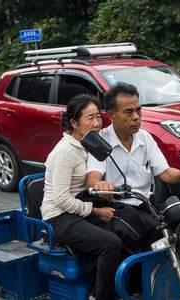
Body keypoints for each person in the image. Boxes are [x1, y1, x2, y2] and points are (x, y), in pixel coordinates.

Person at [86, 82, 180, 232]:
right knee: (154, 232)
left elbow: (165, 173)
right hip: (118, 208)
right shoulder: (102, 141)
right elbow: (92, 177)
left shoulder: (145, 138)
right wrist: (100, 185)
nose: (136, 117)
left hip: (145, 204)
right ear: (111, 115)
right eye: (129, 112)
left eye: (138, 110)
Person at [41, 94, 122, 300]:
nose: (96, 123)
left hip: (78, 209)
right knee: (110, 243)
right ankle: (98, 296)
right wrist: (95, 211)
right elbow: (61, 199)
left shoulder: (89, 145)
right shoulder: (65, 152)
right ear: (74, 122)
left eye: (98, 117)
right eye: (89, 118)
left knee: (124, 227)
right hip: (59, 217)